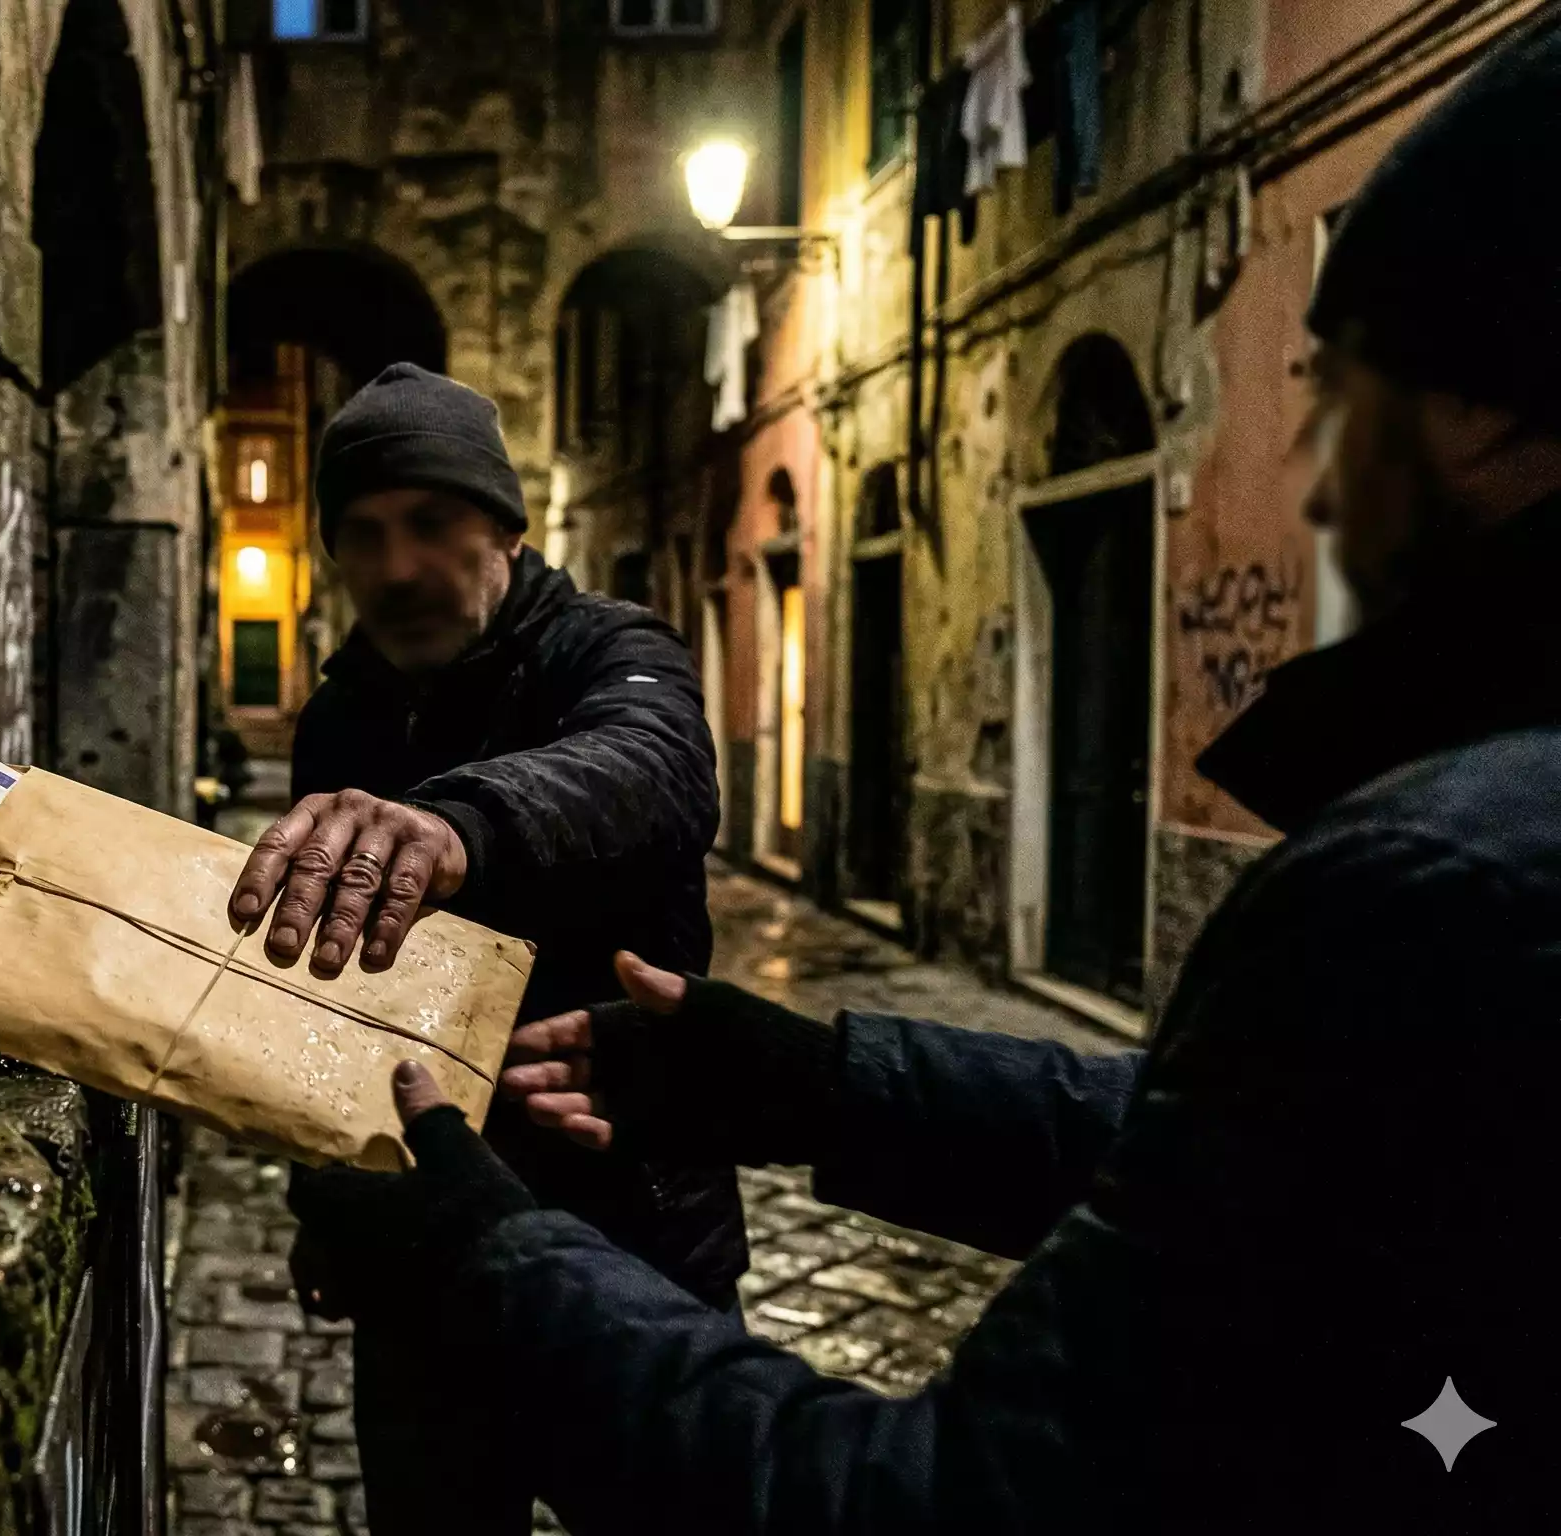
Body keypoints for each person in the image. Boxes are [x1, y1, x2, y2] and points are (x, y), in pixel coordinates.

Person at [289, 21, 1561, 1535]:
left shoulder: (1439, 884)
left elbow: (944, 1500)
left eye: (1331, 391)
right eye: (361, 532)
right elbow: (1211, 1144)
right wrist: (817, 1084)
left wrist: (478, 1234)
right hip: (436, 1206)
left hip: (611, 1222)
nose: (1316, 480)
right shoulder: (342, 708)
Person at [227, 363, 740, 1532]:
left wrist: (453, 829)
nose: (396, 569)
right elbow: (328, 1002)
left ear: (506, 526)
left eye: (430, 524)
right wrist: (329, 1208)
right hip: (427, 1255)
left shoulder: (614, 654)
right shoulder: (344, 715)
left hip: (631, 1235)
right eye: (360, 535)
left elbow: (653, 770)